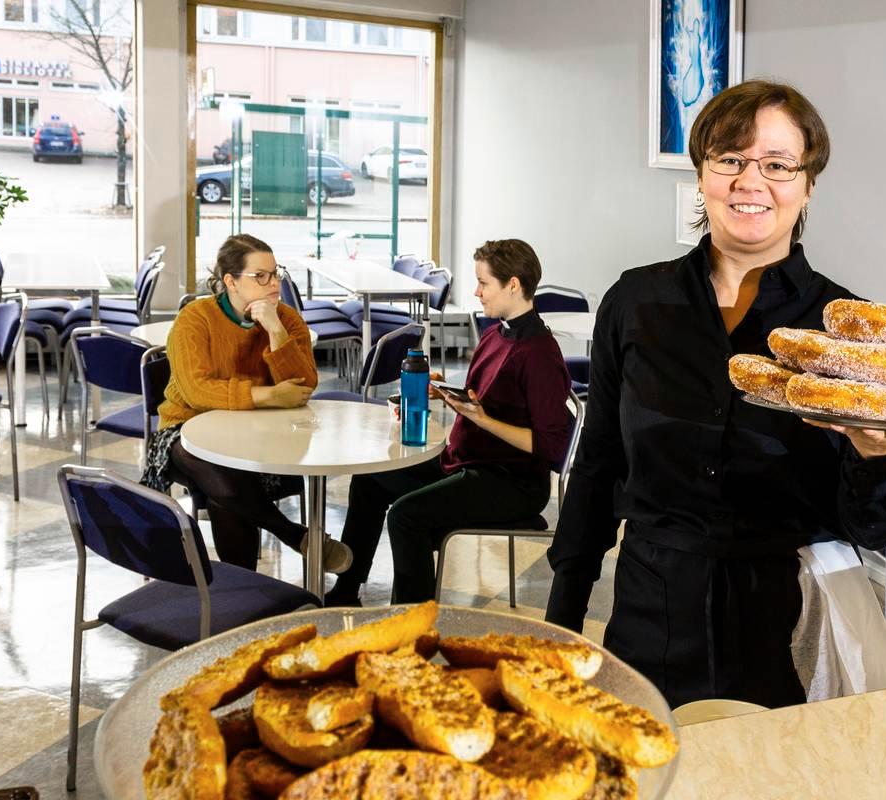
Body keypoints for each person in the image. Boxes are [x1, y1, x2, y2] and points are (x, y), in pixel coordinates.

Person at [544, 80, 886, 710]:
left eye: (776, 164)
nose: (750, 181)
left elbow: (874, 527)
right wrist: (563, 620)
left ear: (808, 183)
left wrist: (879, 457)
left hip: (789, 616)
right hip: (652, 605)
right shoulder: (635, 301)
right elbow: (599, 461)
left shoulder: (846, 331)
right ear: (703, 173)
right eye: (730, 160)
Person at [330, 239, 572, 606]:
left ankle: (414, 623)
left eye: (483, 283)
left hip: (511, 483)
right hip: (466, 463)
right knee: (369, 482)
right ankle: (346, 593)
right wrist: (445, 390)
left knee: (406, 516)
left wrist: (483, 420)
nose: (476, 292)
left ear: (513, 285)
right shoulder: (496, 332)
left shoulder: (539, 354)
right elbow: (480, 397)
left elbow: (552, 446)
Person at [141, 233, 353, 574]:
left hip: (259, 436)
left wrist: (275, 330)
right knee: (218, 470)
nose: (274, 284)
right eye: (261, 276)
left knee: (226, 491)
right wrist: (268, 395)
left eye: (276, 273)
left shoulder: (286, 319)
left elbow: (304, 385)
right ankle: (293, 535)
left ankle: (244, 596)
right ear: (230, 281)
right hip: (186, 432)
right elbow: (197, 392)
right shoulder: (195, 319)